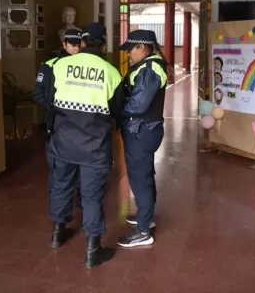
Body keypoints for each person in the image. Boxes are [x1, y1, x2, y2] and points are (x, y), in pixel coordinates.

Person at [42, 22, 123, 269]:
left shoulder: (59, 66)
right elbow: (117, 110)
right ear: (104, 44)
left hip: (62, 142)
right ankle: (92, 251)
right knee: (91, 196)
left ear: (83, 43)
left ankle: (57, 235)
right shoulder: (111, 72)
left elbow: (46, 99)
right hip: (94, 147)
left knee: (61, 186)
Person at [117, 29, 168, 248]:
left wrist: (114, 107)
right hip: (145, 129)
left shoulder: (150, 69)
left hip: (142, 130)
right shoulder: (150, 66)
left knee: (140, 177)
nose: (129, 54)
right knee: (143, 174)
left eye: (130, 50)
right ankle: (145, 217)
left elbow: (138, 105)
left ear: (141, 48)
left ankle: (143, 231)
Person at [33, 28, 83, 210]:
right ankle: (59, 205)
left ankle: (82, 201)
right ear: (64, 45)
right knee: (59, 169)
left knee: (81, 166)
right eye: (72, 45)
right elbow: (38, 94)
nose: (76, 49)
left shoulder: (86, 66)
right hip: (57, 124)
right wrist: (55, 108)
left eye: (79, 45)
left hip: (81, 123)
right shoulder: (50, 65)